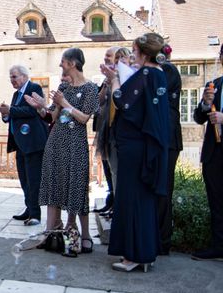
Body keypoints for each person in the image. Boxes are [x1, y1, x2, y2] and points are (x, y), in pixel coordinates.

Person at [102, 33, 169, 272]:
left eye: (133, 51)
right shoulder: (159, 74)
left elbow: (123, 102)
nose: (132, 56)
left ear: (142, 52)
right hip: (144, 145)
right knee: (143, 199)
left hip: (134, 146)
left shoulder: (147, 73)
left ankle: (134, 254)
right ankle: (145, 252)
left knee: (131, 199)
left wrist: (114, 80)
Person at [25, 47, 99, 253]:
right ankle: (53, 233)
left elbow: (84, 118)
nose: (60, 65)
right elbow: (53, 116)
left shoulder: (91, 88)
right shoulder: (63, 86)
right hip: (56, 142)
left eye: (63, 62)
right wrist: (40, 106)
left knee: (76, 187)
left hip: (75, 144)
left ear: (73, 63)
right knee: (54, 185)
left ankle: (82, 234)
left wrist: (64, 102)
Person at [0, 65, 48, 226]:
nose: (12, 80)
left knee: (34, 180)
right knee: (24, 179)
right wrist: (5, 115)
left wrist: (10, 110)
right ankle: (29, 209)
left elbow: (32, 111)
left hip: (33, 142)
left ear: (24, 76)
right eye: (10, 77)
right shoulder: (15, 94)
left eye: (15, 76)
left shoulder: (34, 88)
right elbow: (14, 116)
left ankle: (35, 215)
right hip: (20, 143)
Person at [192, 43, 223, 261]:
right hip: (214, 154)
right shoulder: (216, 85)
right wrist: (204, 103)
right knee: (216, 202)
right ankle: (218, 245)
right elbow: (197, 117)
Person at [158, 45, 182, 255]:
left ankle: (163, 241)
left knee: (164, 191)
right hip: (160, 139)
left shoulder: (168, 70)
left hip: (168, 139)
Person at [92, 47, 119, 216]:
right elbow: (98, 101)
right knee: (108, 168)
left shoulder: (122, 75)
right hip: (104, 128)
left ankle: (116, 204)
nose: (106, 59)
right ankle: (111, 201)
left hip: (115, 129)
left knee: (115, 170)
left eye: (109, 56)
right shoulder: (107, 78)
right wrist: (105, 83)